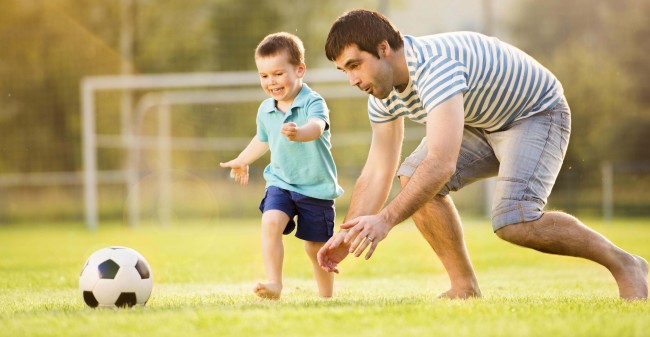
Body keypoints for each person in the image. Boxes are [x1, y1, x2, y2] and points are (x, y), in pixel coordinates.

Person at [316, 9, 648, 300]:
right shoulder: (381, 95)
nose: (352, 80)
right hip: (480, 123)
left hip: (535, 114)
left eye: (355, 65)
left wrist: (386, 220)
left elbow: (442, 163)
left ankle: (626, 263)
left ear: (384, 48)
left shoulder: (435, 69)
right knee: (412, 177)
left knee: (514, 221)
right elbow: (377, 171)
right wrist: (349, 233)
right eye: (345, 70)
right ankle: (464, 287)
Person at [221, 32, 343, 300]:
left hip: (316, 187)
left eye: (278, 74)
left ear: (299, 70)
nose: (271, 82)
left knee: (315, 248)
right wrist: (242, 159)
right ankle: (274, 283)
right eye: (264, 76)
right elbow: (262, 139)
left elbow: (317, 127)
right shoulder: (266, 109)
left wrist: (299, 133)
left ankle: (326, 297)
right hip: (281, 182)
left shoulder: (313, 101)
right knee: (271, 221)